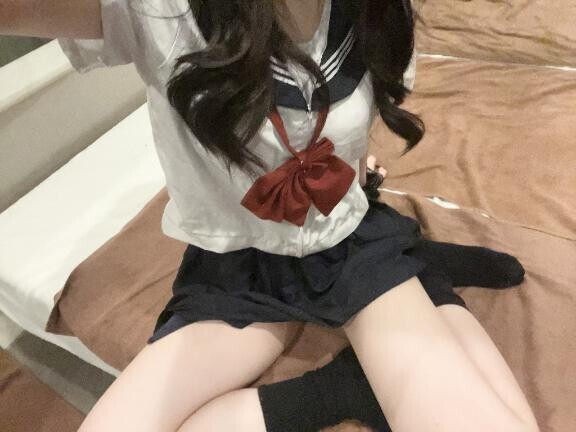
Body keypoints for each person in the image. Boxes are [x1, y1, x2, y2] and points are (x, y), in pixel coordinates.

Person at [2, 1, 541, 431]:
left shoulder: (373, 11)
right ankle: (343, 389)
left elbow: (351, 120)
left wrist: (356, 169)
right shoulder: (161, 12)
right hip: (237, 267)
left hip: (347, 246)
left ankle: (410, 265)